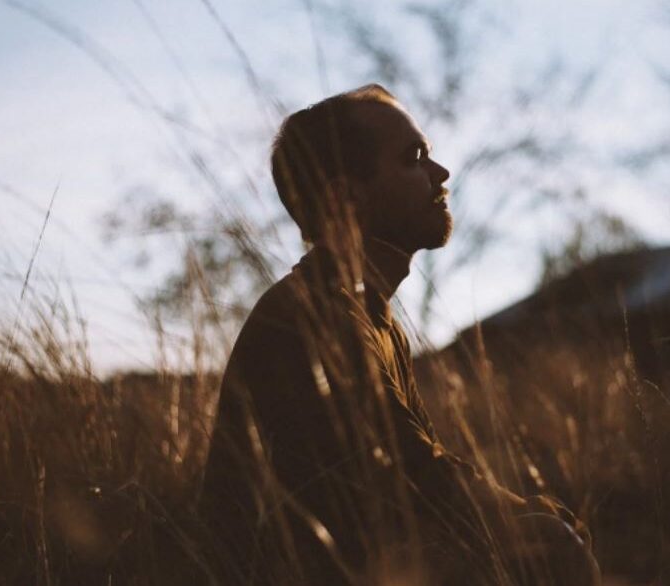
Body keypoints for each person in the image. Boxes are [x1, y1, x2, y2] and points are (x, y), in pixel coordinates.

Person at [199, 84, 600, 585]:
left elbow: (416, 467)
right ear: (346, 197)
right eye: (414, 158)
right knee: (550, 549)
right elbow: (409, 480)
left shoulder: (371, 315)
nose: (441, 174)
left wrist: (522, 509)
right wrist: (522, 519)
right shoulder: (316, 318)